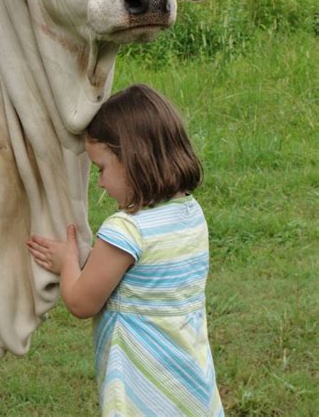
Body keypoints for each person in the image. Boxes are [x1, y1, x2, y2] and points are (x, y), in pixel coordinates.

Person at [27, 84, 223, 417]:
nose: (100, 183)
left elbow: (80, 301)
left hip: (143, 393)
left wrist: (68, 261)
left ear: (133, 159)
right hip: (190, 384)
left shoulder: (125, 230)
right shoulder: (191, 214)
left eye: (101, 168)